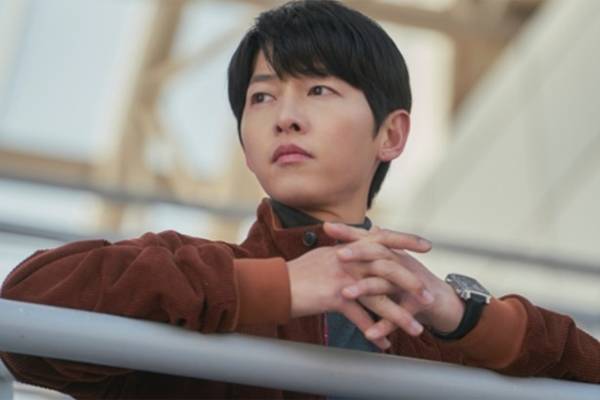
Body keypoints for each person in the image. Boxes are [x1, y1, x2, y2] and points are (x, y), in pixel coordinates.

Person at [1, 0, 598, 398]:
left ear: (391, 134)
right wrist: (280, 287)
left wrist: (462, 315)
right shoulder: (189, 277)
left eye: (317, 90)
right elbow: (24, 313)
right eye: (261, 98)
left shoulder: (428, 328)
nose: (284, 117)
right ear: (246, 146)